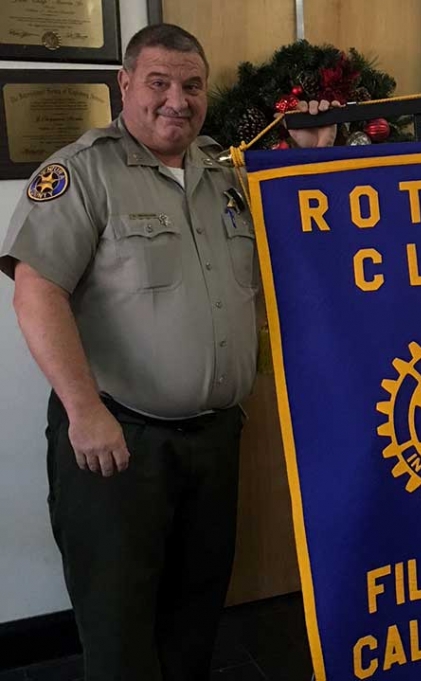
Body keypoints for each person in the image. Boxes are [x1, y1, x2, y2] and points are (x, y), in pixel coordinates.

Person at [0, 24, 336, 681]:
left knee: (195, 615)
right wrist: (84, 410)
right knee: (120, 627)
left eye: (190, 85)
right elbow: (36, 294)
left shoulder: (226, 176)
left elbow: (303, 252)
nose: (175, 99)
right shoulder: (82, 171)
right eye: (158, 83)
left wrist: (309, 158)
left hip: (213, 442)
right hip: (118, 444)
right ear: (124, 85)